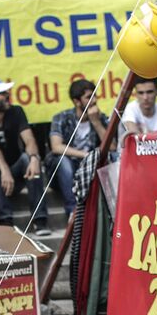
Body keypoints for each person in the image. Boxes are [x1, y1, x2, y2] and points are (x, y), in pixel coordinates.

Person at [0, 77, 48, 235]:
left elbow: (29, 138)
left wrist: (34, 158)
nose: (8, 95)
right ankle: (4, 218)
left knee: (28, 159)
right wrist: (5, 170)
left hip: (18, 171)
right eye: (2, 93)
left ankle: (40, 219)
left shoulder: (16, 111)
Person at [47, 78, 104, 217]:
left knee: (111, 157)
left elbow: (113, 147)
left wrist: (96, 122)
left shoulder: (99, 117)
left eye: (95, 95)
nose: (94, 100)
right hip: (63, 172)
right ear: (77, 101)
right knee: (63, 160)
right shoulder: (61, 117)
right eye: (89, 97)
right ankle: (73, 212)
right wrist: (84, 154)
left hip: (87, 170)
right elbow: (56, 147)